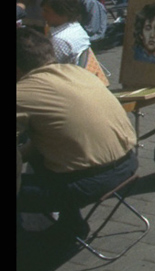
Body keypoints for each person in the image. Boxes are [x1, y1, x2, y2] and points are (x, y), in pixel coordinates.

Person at [17, 28, 138, 238]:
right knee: (43, 156)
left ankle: (25, 251)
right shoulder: (80, 73)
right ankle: (70, 226)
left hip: (87, 184)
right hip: (128, 165)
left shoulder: (23, 92)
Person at [41, 0, 91, 65]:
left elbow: (46, 67)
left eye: (47, 11)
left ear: (62, 13)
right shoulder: (76, 27)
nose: (43, 15)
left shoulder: (60, 40)